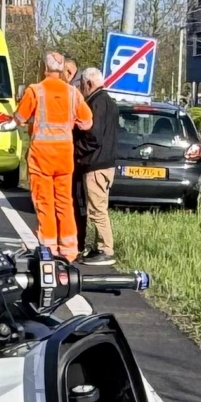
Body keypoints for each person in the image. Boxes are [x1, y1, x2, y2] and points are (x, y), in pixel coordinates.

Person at [14, 51, 91, 261]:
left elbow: (20, 118)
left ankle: (49, 247)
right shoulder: (73, 93)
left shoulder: (35, 91)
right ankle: (69, 249)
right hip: (64, 156)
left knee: (44, 202)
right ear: (63, 69)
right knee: (65, 202)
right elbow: (87, 122)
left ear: (44, 68)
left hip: (41, 156)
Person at [73, 66, 121, 265]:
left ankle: (105, 249)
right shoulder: (110, 102)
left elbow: (94, 136)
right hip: (106, 163)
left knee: (97, 209)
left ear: (89, 83)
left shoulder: (96, 103)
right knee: (99, 206)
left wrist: (75, 151)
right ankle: (99, 246)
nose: (82, 89)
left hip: (95, 164)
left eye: (83, 85)